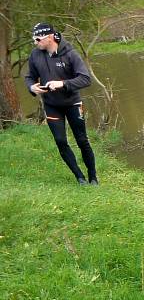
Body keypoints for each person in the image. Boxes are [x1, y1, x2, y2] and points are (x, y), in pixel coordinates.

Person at [24, 22, 98, 186]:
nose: (35, 43)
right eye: (33, 40)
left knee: (82, 140)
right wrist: (31, 87)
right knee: (60, 141)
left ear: (49, 37)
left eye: (37, 39)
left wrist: (62, 84)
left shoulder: (70, 53)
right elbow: (29, 76)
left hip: (72, 103)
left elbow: (85, 79)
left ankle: (93, 177)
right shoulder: (35, 55)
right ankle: (80, 177)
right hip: (51, 105)